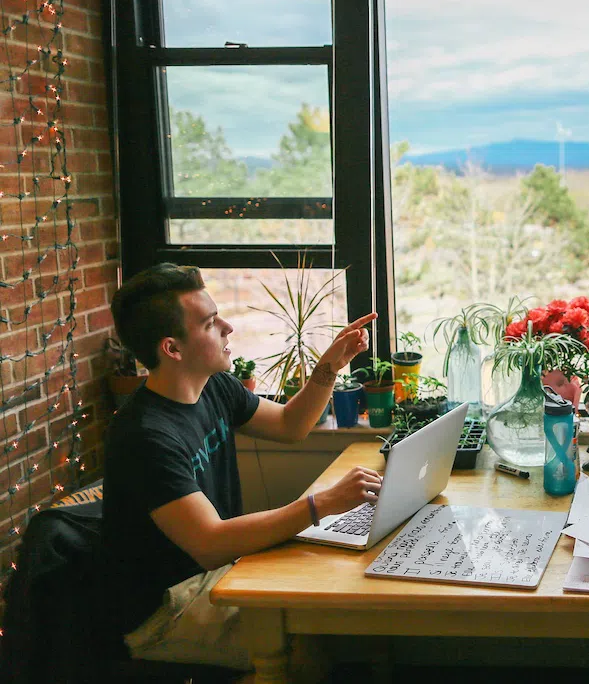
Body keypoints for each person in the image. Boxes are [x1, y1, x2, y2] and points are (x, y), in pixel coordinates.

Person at [101, 263, 382, 679]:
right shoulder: (144, 437)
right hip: (165, 609)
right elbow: (211, 543)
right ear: (172, 349)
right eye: (211, 323)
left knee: (336, 605)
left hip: (220, 571)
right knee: (315, 640)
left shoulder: (213, 385)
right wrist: (323, 503)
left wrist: (331, 365)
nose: (228, 327)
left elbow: (291, 426)